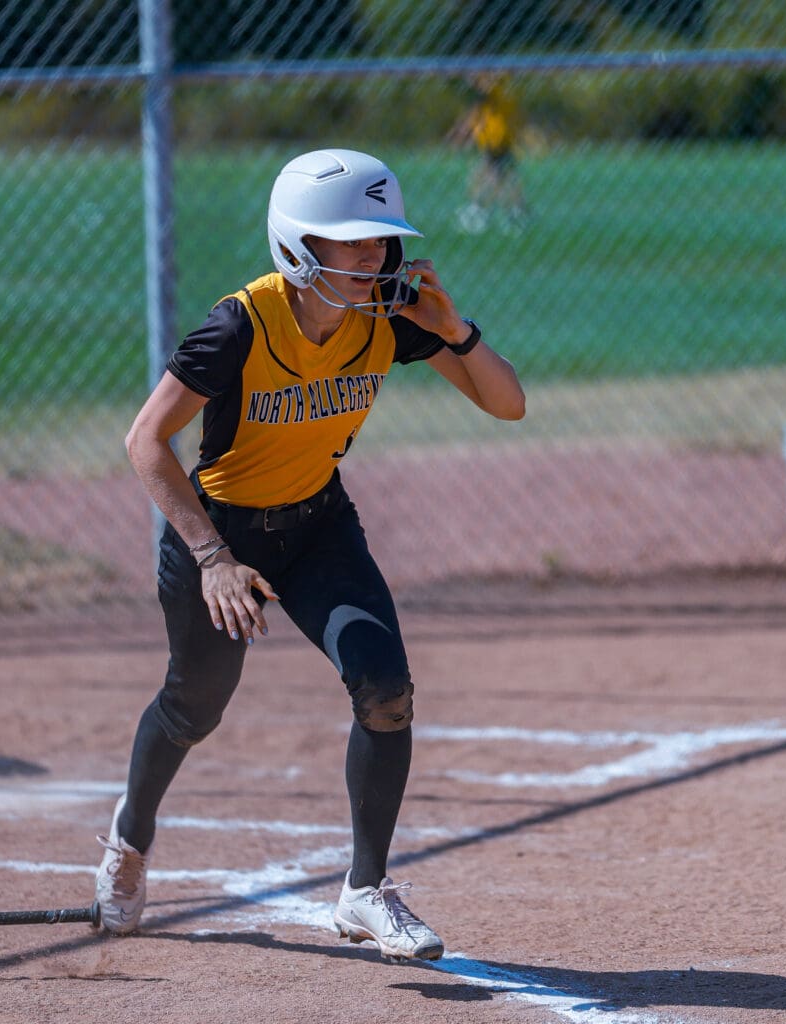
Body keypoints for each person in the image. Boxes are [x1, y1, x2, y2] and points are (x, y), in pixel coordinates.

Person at [95, 148, 525, 960]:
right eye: (352, 240)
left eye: (380, 240)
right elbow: (145, 440)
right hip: (222, 536)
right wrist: (213, 558)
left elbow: (508, 405)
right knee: (194, 707)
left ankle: (365, 890)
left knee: (385, 690)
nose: (374, 255)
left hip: (320, 528)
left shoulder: (388, 317)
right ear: (298, 245)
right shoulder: (240, 325)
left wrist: (454, 331)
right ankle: (128, 840)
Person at [454, 73, 530, 234]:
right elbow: (474, 118)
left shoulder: (494, 91)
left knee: (491, 177)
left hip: (496, 142)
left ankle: (484, 208)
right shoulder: (488, 99)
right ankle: (514, 209)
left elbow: (485, 90)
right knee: (498, 177)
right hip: (493, 142)